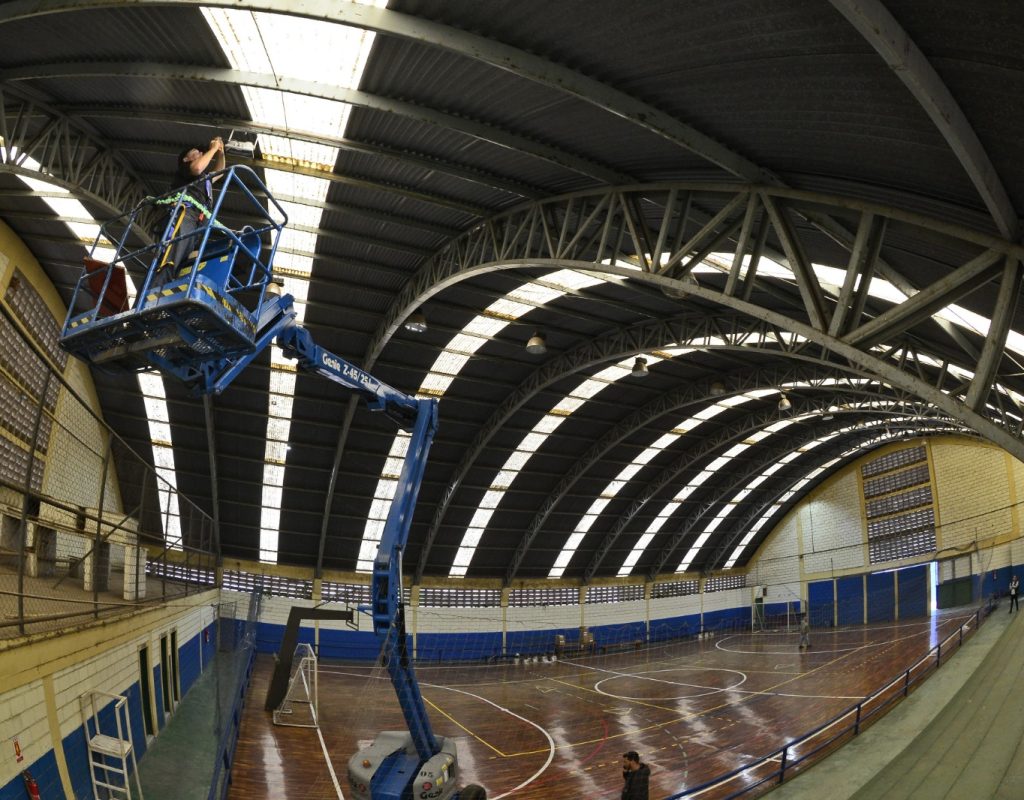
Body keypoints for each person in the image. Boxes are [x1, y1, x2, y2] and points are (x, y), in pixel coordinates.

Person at [153, 137, 226, 285]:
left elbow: (220, 172)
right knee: (173, 256)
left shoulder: (204, 179)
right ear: (186, 158)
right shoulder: (186, 169)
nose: (200, 152)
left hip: (198, 222)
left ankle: (167, 287)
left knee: (183, 258)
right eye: (196, 151)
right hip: (185, 214)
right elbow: (198, 167)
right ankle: (155, 290)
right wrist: (212, 149)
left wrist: (220, 152)